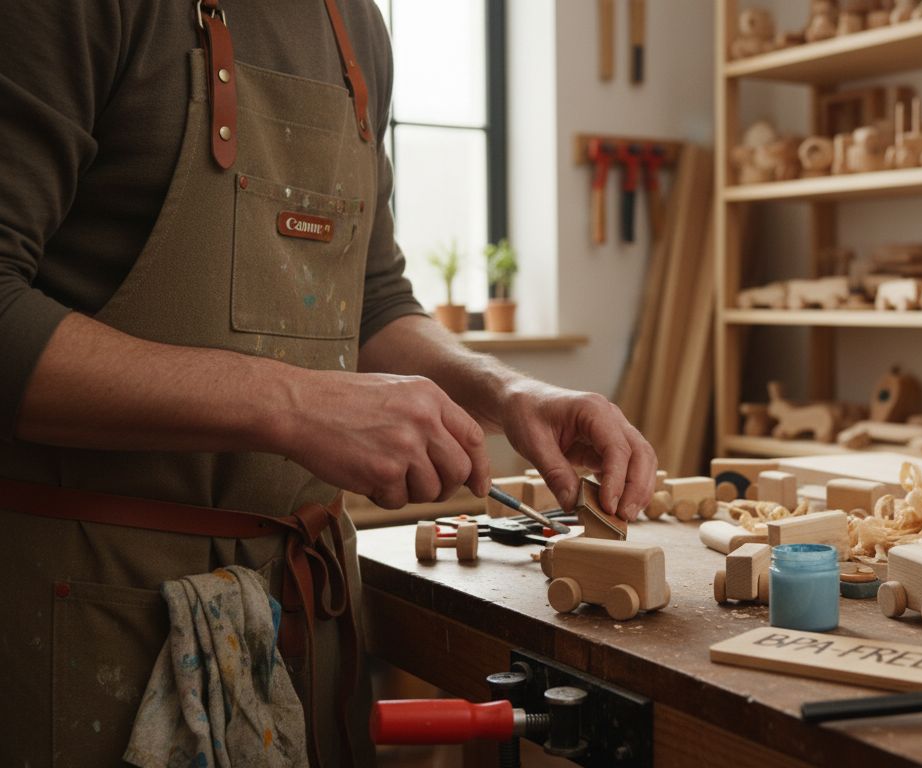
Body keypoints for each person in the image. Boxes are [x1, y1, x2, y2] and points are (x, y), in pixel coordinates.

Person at [0, 2, 655, 766]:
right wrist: (293, 402)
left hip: (300, 619)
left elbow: (373, 298)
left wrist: (510, 395)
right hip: (89, 621)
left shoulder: (355, 24)